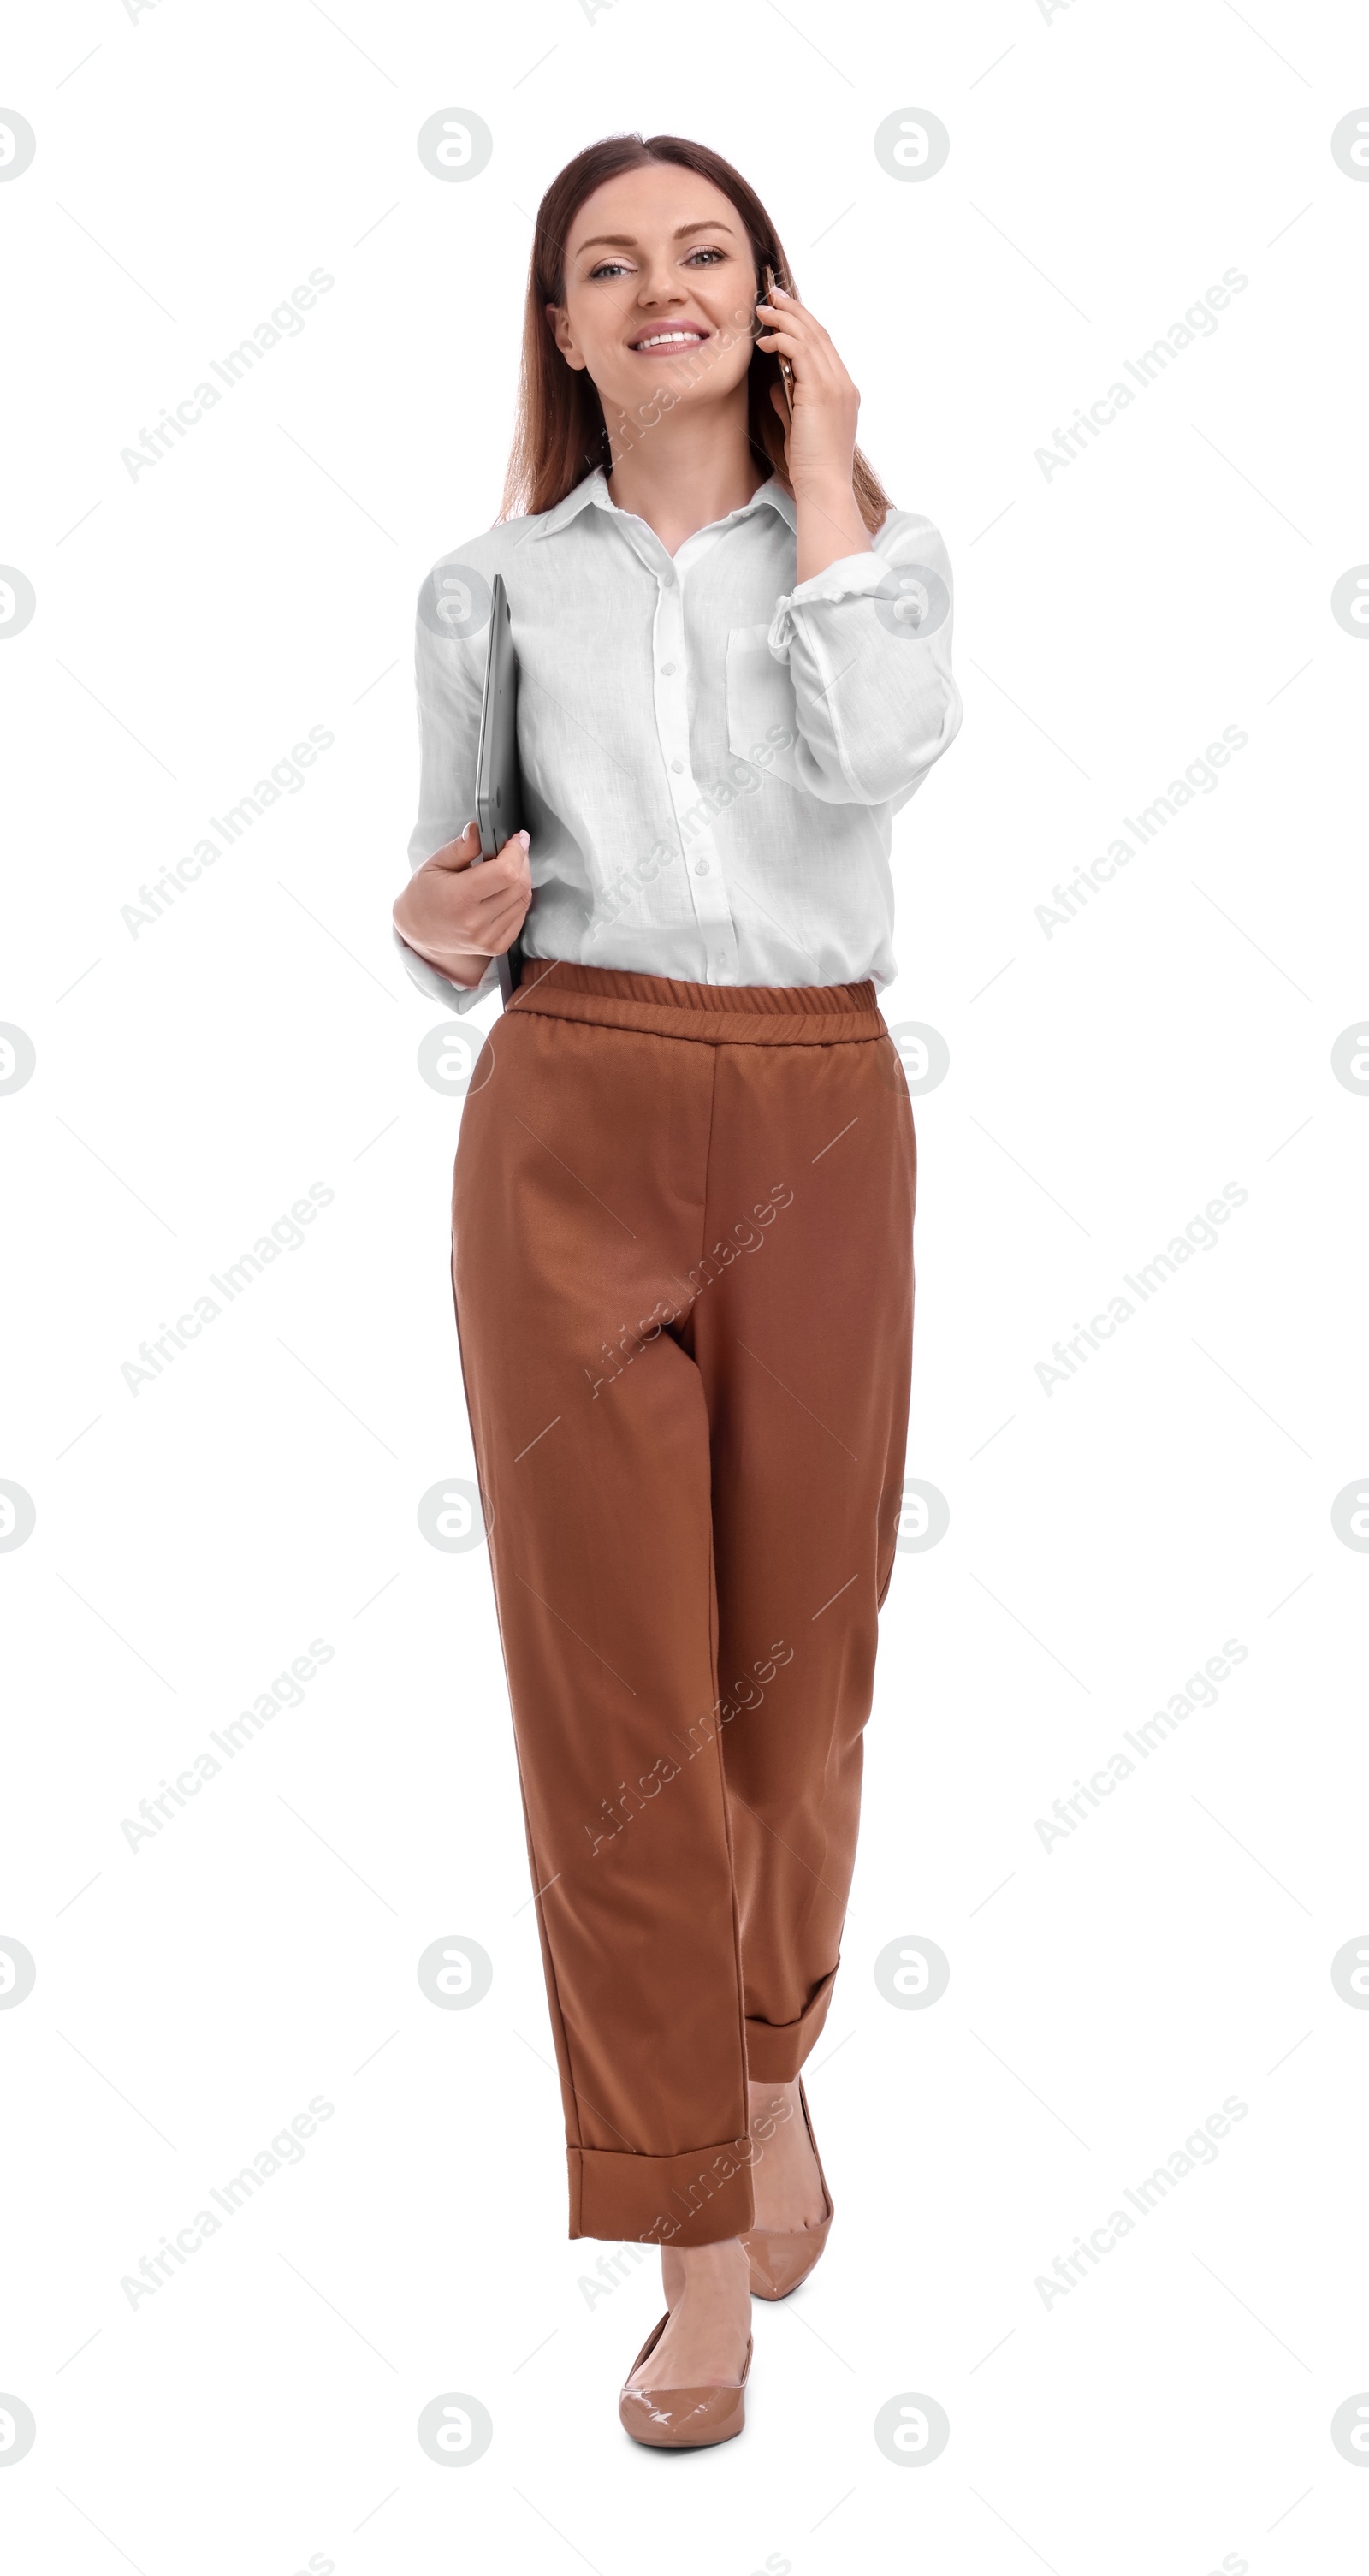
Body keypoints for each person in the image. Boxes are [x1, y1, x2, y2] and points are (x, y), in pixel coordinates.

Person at [392, 129, 962, 2448]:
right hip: (575, 1107)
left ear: (771, 298)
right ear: (559, 324)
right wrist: (442, 929)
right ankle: (690, 2240)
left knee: (795, 1685)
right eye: (609, 264)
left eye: (704, 254)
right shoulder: (490, 583)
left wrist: (825, 467)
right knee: (618, 1716)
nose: (660, 289)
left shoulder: (877, 559)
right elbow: (453, 889)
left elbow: (887, 750)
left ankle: (763, 2060)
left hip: (821, 1108)